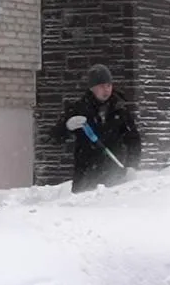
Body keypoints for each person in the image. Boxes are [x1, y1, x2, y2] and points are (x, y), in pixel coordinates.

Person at [54, 64, 141, 192]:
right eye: (101, 86)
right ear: (92, 88)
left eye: (108, 86)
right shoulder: (79, 108)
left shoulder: (120, 109)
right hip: (86, 176)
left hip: (115, 174)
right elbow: (55, 137)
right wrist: (67, 126)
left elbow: (133, 140)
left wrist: (132, 166)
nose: (106, 90)